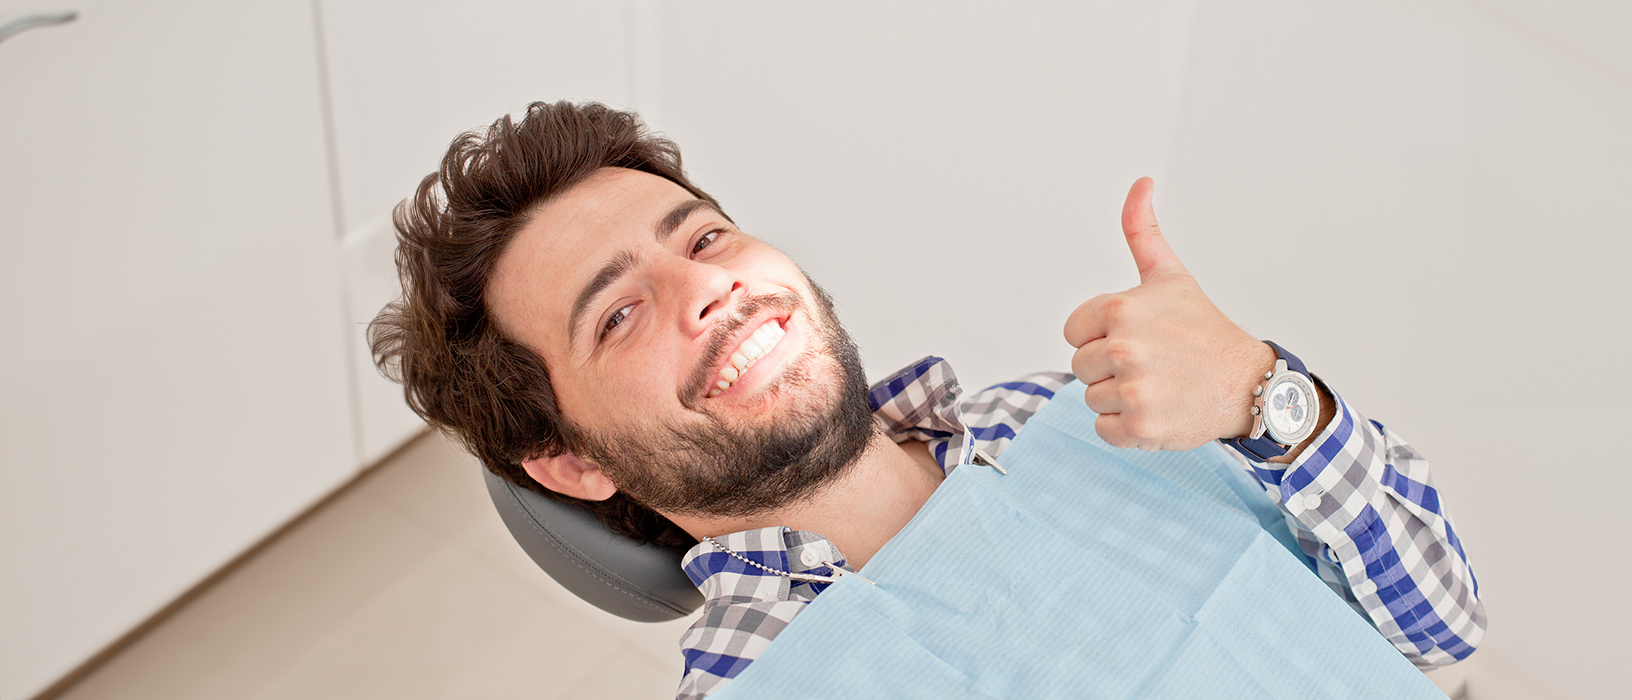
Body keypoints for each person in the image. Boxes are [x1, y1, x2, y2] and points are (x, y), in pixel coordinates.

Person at [371, 101, 1485, 699]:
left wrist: (1265, 395)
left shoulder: (1085, 409)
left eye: (703, 237)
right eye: (616, 314)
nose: (707, 290)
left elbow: (1440, 629)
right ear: (570, 462)